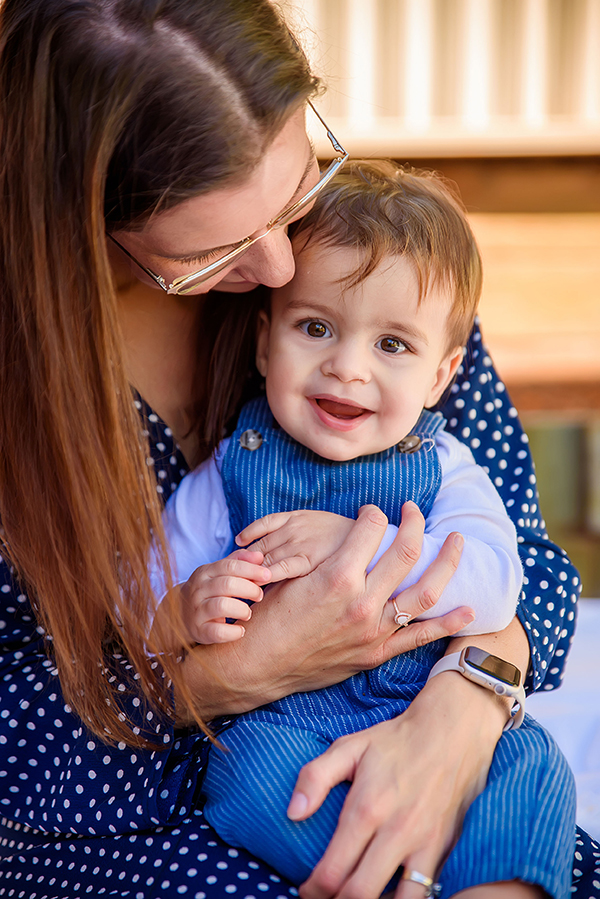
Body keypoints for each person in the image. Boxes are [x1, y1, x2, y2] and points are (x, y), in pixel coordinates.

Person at [0, 1, 597, 898]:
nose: (282, 267)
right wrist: (229, 668)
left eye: (298, 185)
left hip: (434, 720)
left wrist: (463, 708)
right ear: (86, 219)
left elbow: (528, 573)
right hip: (142, 806)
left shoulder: (364, 275)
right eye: (222, 249)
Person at [149, 161, 575, 898]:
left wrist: (363, 547)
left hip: (425, 699)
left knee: (532, 769)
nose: (346, 368)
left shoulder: (445, 464)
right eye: (315, 327)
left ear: (442, 377)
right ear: (263, 343)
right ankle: (370, 869)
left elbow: (499, 579)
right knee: (242, 775)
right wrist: (183, 603)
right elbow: (141, 591)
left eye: (392, 345)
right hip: (284, 722)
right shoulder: (230, 468)